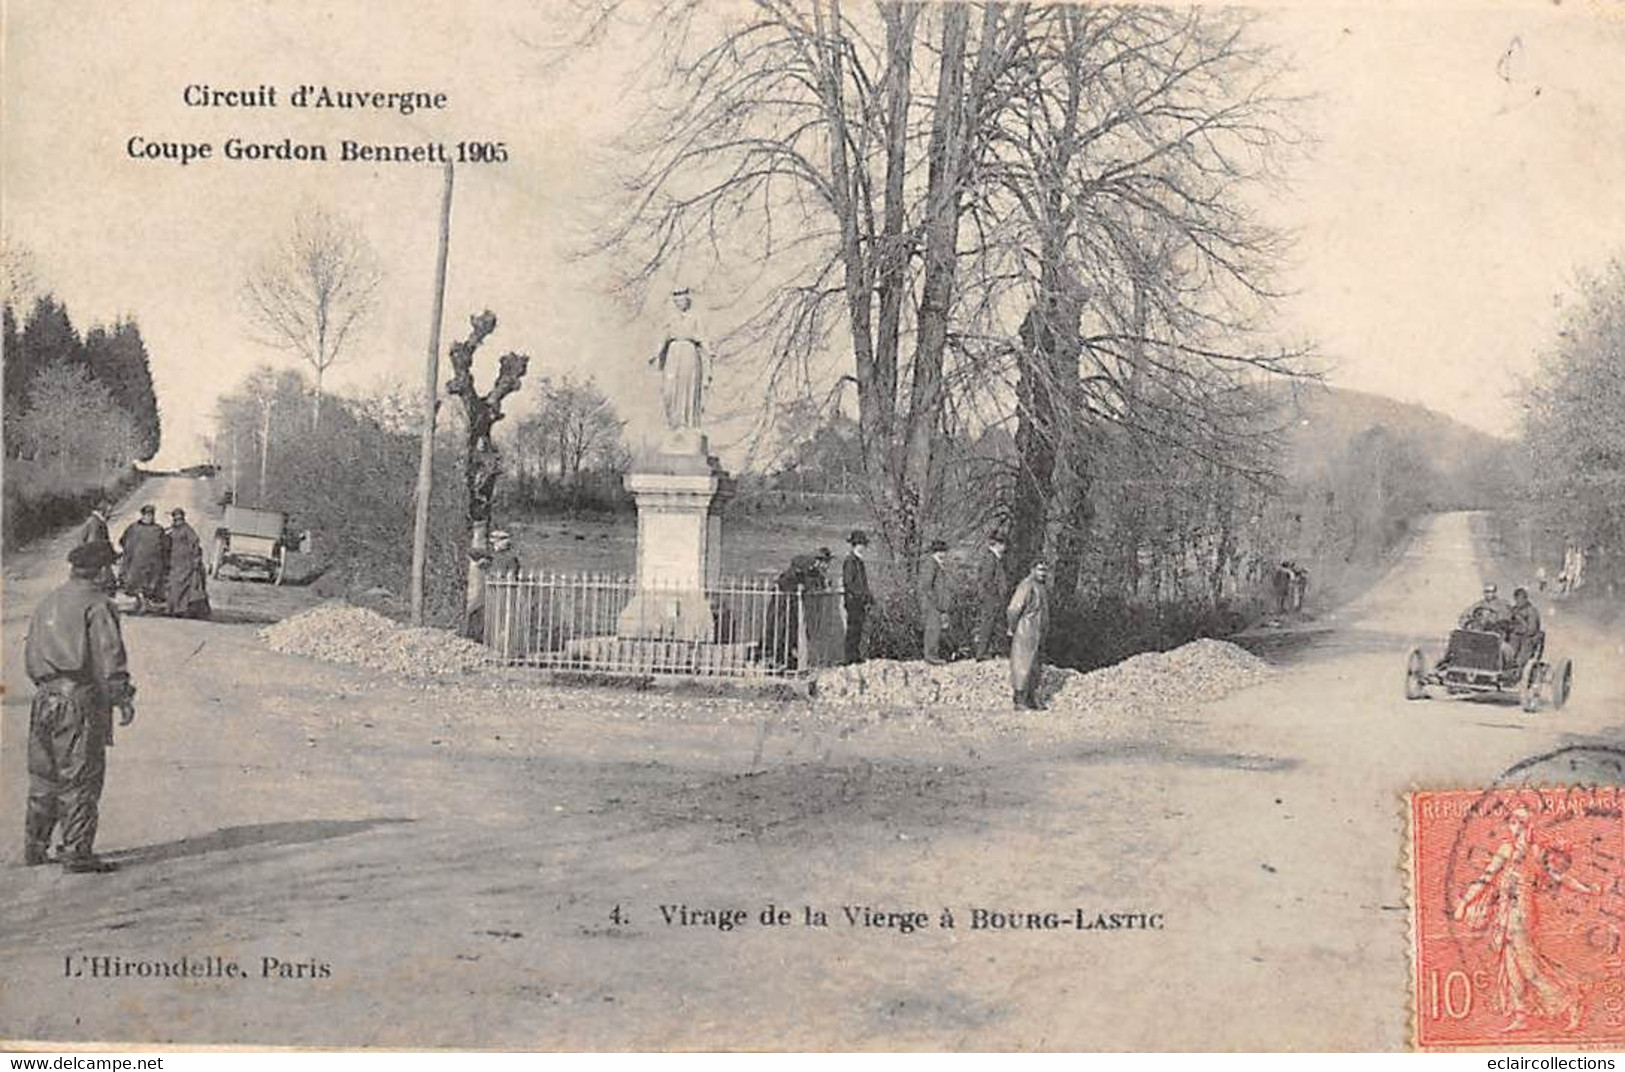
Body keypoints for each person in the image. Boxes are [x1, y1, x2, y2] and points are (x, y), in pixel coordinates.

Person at [23, 541, 137, 872]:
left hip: (44, 697)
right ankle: (76, 851)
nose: (112, 573)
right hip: (77, 701)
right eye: (110, 567)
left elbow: (30, 655)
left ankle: (35, 846)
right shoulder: (98, 605)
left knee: (43, 776)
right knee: (80, 776)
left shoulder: (49, 600)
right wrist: (122, 697)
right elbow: (109, 658)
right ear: (101, 570)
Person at [651, 286, 709, 432]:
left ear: (687, 300)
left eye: (682, 299)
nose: (679, 303)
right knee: (669, 390)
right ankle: (673, 422)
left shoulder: (695, 317)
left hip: (689, 351)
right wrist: (656, 353)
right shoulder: (670, 318)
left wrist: (709, 351)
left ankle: (686, 423)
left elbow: (702, 336)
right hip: (673, 352)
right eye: (677, 300)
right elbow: (662, 336)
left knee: (687, 387)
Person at [1006, 558, 1052, 711]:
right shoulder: (1026, 586)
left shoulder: (1041, 587)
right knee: (1022, 664)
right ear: (1032, 569)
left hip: (1038, 631)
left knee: (1035, 666)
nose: (1042, 573)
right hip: (1025, 630)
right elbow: (1013, 609)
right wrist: (1012, 628)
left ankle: (1031, 698)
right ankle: (1019, 700)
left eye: (1044, 570)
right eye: (1039, 569)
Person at [117, 504, 168, 611]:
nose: (149, 517)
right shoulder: (133, 528)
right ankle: (139, 602)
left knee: (150, 584)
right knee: (135, 583)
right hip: (136, 563)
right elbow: (122, 541)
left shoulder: (158, 529)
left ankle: (145, 603)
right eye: (147, 515)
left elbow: (165, 546)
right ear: (142, 515)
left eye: (151, 515)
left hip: (153, 564)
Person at [164, 508, 211, 619]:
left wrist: (196, 560)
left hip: (186, 564)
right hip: (175, 563)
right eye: (176, 518)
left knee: (186, 589)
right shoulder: (171, 530)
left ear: (183, 518)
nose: (177, 520)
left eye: (180, 518)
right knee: (173, 586)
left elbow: (195, 545)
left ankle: (183, 610)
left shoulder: (188, 530)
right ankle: (173, 609)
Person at [972, 532, 1012, 660]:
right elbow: (986, 580)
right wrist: (994, 594)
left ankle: (990, 650)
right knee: (988, 623)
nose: (1004, 547)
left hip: (993, 597)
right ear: (998, 544)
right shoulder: (990, 559)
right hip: (991, 597)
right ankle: (982, 652)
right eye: (1003, 544)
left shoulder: (995, 559)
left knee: (993, 624)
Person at [841, 530, 874, 665]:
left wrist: (868, 596)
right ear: (854, 545)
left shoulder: (859, 561)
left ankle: (855, 654)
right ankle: (849, 656)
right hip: (853, 600)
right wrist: (859, 594)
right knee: (853, 628)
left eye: (863, 544)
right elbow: (849, 582)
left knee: (859, 628)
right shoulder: (850, 561)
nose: (862, 547)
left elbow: (863, 582)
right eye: (859, 544)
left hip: (859, 599)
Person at [919, 539, 952, 664]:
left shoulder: (938, 565)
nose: (942, 554)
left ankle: (933, 654)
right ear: (934, 552)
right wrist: (936, 601)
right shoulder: (931, 564)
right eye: (939, 551)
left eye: (943, 551)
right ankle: (930, 655)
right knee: (932, 628)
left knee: (937, 629)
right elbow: (927, 586)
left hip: (937, 603)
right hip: (931, 603)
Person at [77, 496, 118, 592]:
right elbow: (93, 545)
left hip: (95, 560)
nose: (110, 514)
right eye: (109, 511)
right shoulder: (96, 523)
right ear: (102, 510)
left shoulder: (95, 521)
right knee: (108, 585)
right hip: (96, 563)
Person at [1508, 586, 1543, 668]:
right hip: (1515, 635)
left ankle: (1517, 664)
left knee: (1518, 639)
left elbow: (1532, 629)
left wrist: (1517, 629)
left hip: (1527, 638)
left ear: (1525, 599)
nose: (1518, 601)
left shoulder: (1531, 611)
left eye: (1521, 599)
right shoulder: (1514, 610)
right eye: (1516, 599)